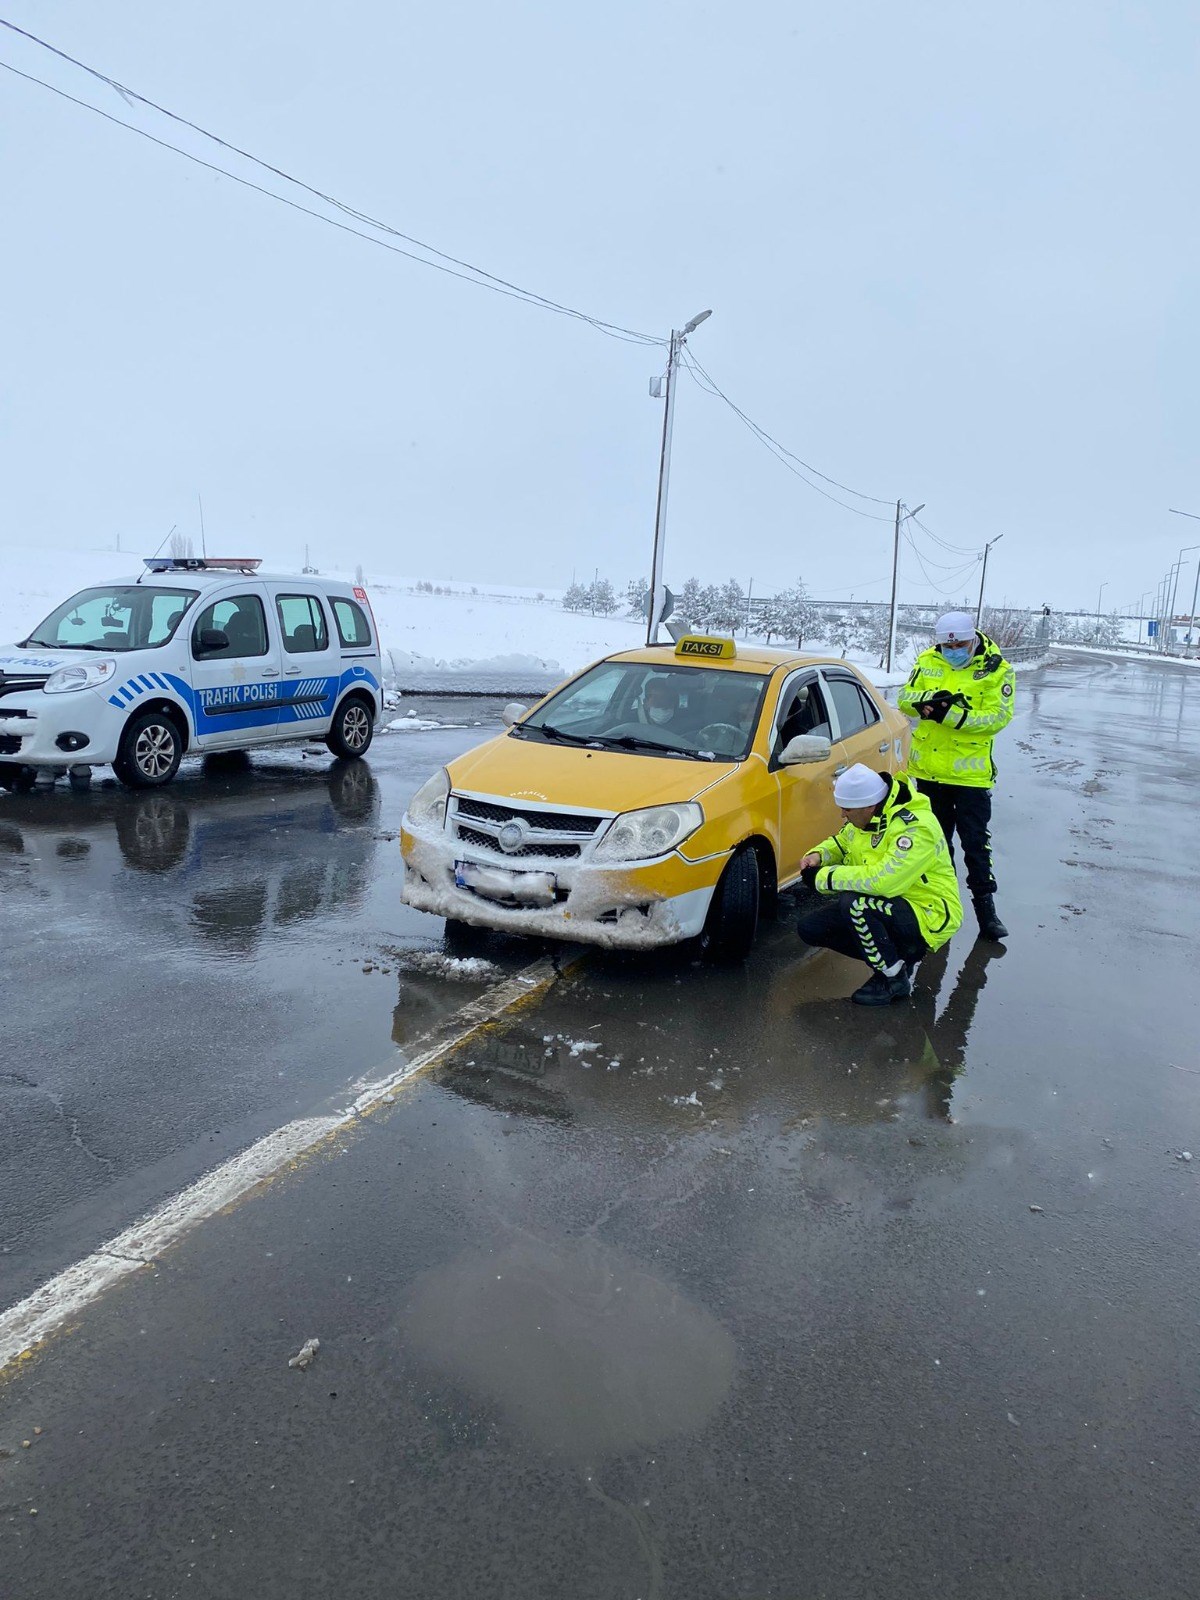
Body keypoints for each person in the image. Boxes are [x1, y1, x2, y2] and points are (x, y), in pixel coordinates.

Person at [795, 763, 963, 1006]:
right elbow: (843, 842)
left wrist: (824, 878)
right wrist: (820, 855)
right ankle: (896, 959)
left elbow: (885, 882)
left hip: (927, 911)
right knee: (810, 928)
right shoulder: (866, 818)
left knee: (855, 904)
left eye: (847, 809)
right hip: (891, 906)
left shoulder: (916, 828)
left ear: (870, 805)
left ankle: (893, 978)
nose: (842, 815)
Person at [897, 610, 1015, 942]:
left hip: (969, 778)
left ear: (972, 639)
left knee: (976, 845)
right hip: (929, 772)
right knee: (936, 845)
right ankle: (940, 905)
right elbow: (904, 699)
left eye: (960, 645)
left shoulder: (996, 670)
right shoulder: (927, 661)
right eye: (947, 646)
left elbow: (997, 717)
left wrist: (953, 715)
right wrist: (924, 703)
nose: (953, 651)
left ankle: (986, 912)